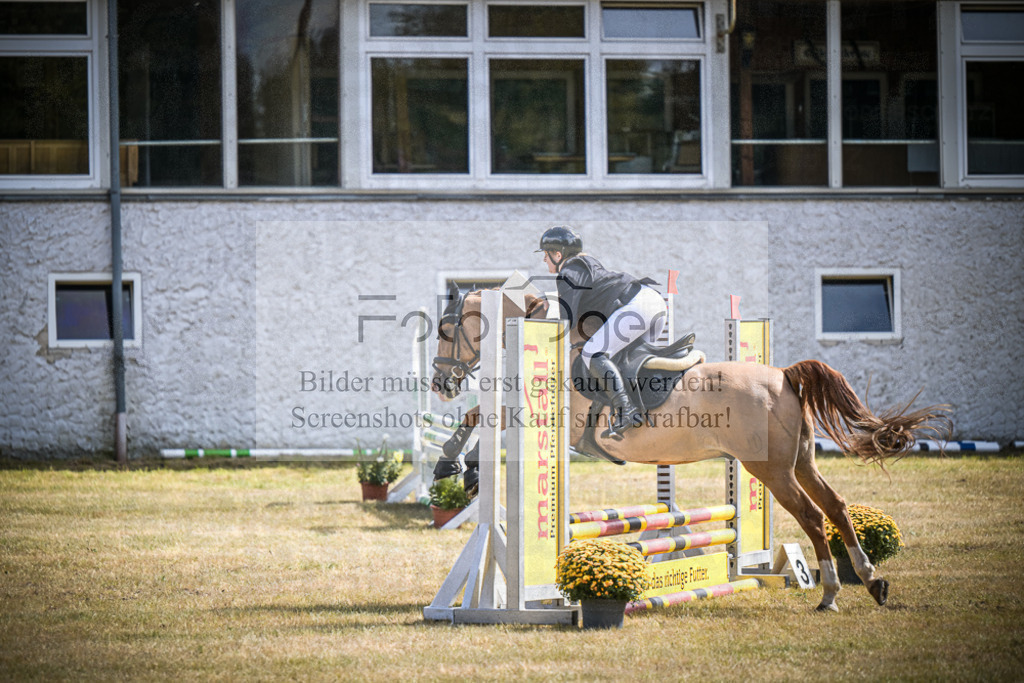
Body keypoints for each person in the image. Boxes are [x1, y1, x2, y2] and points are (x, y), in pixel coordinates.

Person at [538, 226, 667, 437]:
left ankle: (626, 410)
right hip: (653, 303)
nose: (544, 260)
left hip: (637, 307)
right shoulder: (586, 265)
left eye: (546, 254)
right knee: (626, 362)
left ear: (557, 254)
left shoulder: (568, 273)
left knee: (592, 353)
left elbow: (566, 320)